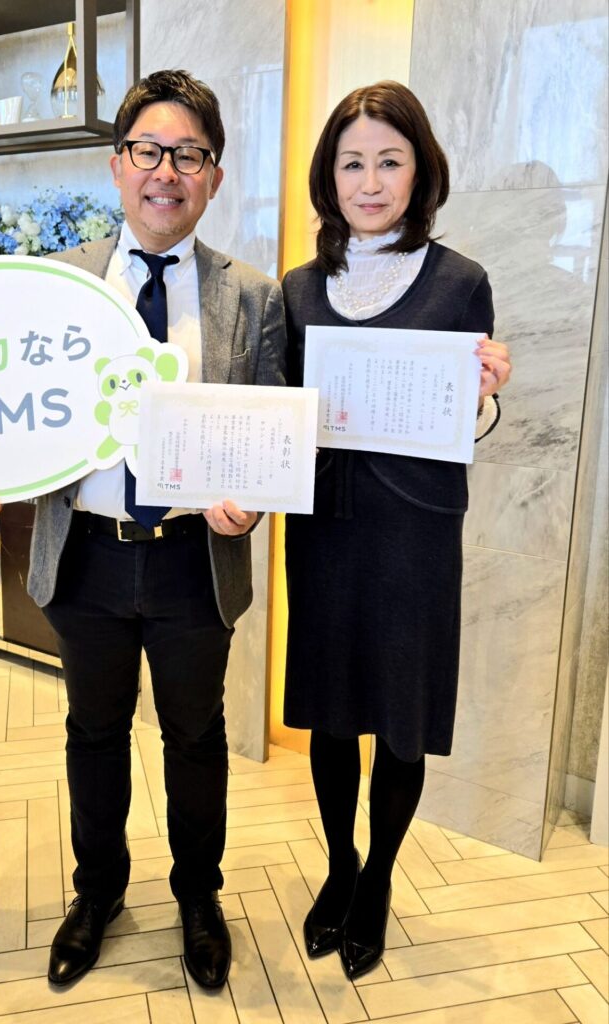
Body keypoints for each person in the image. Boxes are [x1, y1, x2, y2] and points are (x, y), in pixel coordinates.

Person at [0, 70, 286, 989]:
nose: (166, 171)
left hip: (194, 563)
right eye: (148, 150)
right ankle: (97, 896)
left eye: (189, 155)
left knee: (195, 737)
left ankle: (199, 898)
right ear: (117, 164)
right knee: (92, 732)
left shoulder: (253, 296)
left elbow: (271, 430)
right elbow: (9, 409)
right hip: (84, 556)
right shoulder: (59, 283)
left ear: (214, 176)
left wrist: (251, 497)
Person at [281, 80, 511, 980]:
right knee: (333, 713)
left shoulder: (461, 283)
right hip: (326, 527)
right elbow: (283, 411)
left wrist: (483, 390)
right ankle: (340, 866)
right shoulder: (299, 289)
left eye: (389, 161)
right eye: (352, 163)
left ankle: (378, 877)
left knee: (401, 716)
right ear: (328, 176)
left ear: (420, 172)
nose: (369, 182)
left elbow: (469, 422)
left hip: (415, 531)